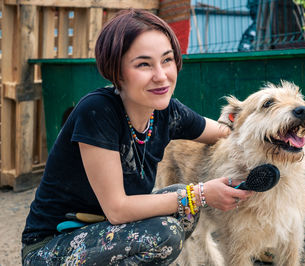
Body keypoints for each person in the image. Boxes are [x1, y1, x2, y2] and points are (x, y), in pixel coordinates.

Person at [21, 9, 252, 265]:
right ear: (117, 72)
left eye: (167, 60)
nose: (161, 75)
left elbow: (223, 132)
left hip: (106, 234)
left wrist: (267, 129)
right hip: (53, 245)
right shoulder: (97, 111)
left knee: (182, 204)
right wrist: (202, 193)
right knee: (166, 230)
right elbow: (117, 209)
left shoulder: (166, 112)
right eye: (144, 64)